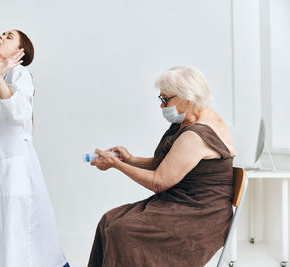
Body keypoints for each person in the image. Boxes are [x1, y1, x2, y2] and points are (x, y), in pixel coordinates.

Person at [88, 66, 236, 267]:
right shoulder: (191, 117)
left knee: (122, 231)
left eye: (166, 100)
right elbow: (173, 164)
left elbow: (159, 182)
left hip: (200, 215)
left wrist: (115, 164)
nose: (162, 106)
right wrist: (131, 159)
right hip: (179, 202)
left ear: (188, 99)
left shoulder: (196, 135)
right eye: (161, 99)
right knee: (109, 220)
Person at [0, 29, 68, 267]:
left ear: (20, 52)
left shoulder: (20, 74)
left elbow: (19, 113)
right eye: (2, 33)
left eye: (9, 36)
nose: (0, 35)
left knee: (20, 239)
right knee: (1, 237)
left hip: (16, 173)